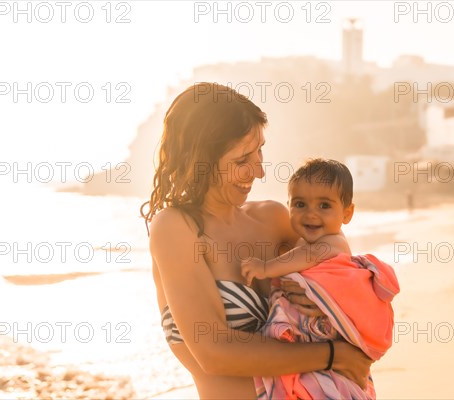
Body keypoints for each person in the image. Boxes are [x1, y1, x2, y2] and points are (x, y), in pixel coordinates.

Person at [140, 83, 373, 399]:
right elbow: (215, 352)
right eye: (241, 160)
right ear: (201, 160)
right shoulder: (175, 228)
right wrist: (333, 355)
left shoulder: (273, 220)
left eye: (260, 150)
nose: (259, 171)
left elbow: (347, 285)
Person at [241, 159, 400, 399]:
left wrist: (265, 268)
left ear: (347, 213)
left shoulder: (331, 243)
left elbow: (308, 256)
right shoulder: (305, 241)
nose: (311, 213)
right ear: (289, 206)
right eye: (300, 204)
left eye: (324, 205)